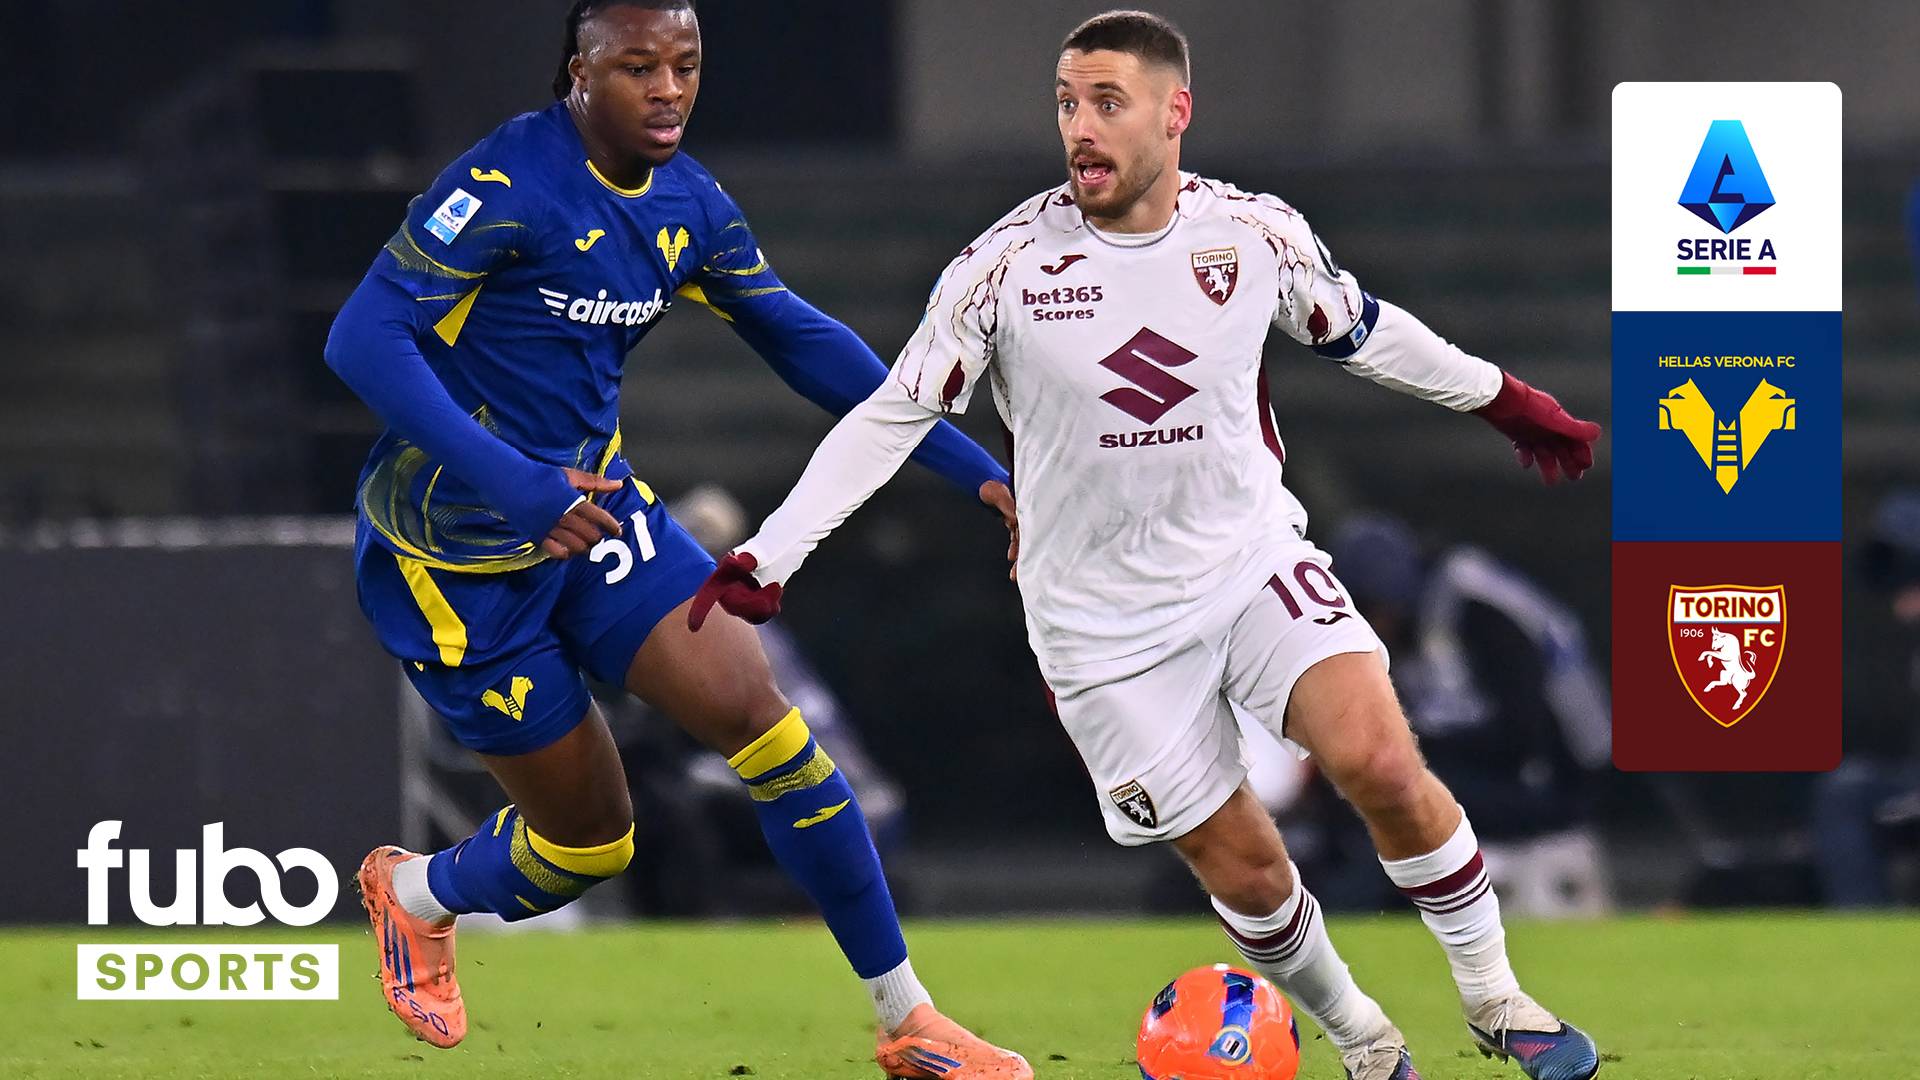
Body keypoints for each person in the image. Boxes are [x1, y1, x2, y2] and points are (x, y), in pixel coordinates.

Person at [691, 11, 1602, 1080]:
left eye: (1108, 103)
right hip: (1100, 627)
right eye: (1067, 104)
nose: (1080, 127)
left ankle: (1496, 998)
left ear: (1176, 113)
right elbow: (893, 415)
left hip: (1248, 563)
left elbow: (1362, 329)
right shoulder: (1002, 269)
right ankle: (1365, 1039)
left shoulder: (1251, 235)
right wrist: (774, 551)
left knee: (1379, 762)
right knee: (1247, 869)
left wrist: (1505, 399)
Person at [322, 2, 1029, 1075]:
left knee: (765, 722)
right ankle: (416, 893)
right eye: (637, 66)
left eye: (686, 66)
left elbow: (802, 340)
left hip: (602, 520)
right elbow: (361, 339)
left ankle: (909, 1020)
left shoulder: (688, 204)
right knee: (587, 847)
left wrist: (978, 473)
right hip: (453, 560)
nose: (667, 91)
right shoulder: (507, 182)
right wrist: (518, 486)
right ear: (578, 72)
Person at [1240, 515, 1614, 918]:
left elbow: (1525, 731)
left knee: (1391, 783)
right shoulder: (1427, 611)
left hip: (1554, 779)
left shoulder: (1476, 606)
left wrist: (1423, 744)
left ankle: (1354, 904)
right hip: (1496, 766)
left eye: (1373, 611)